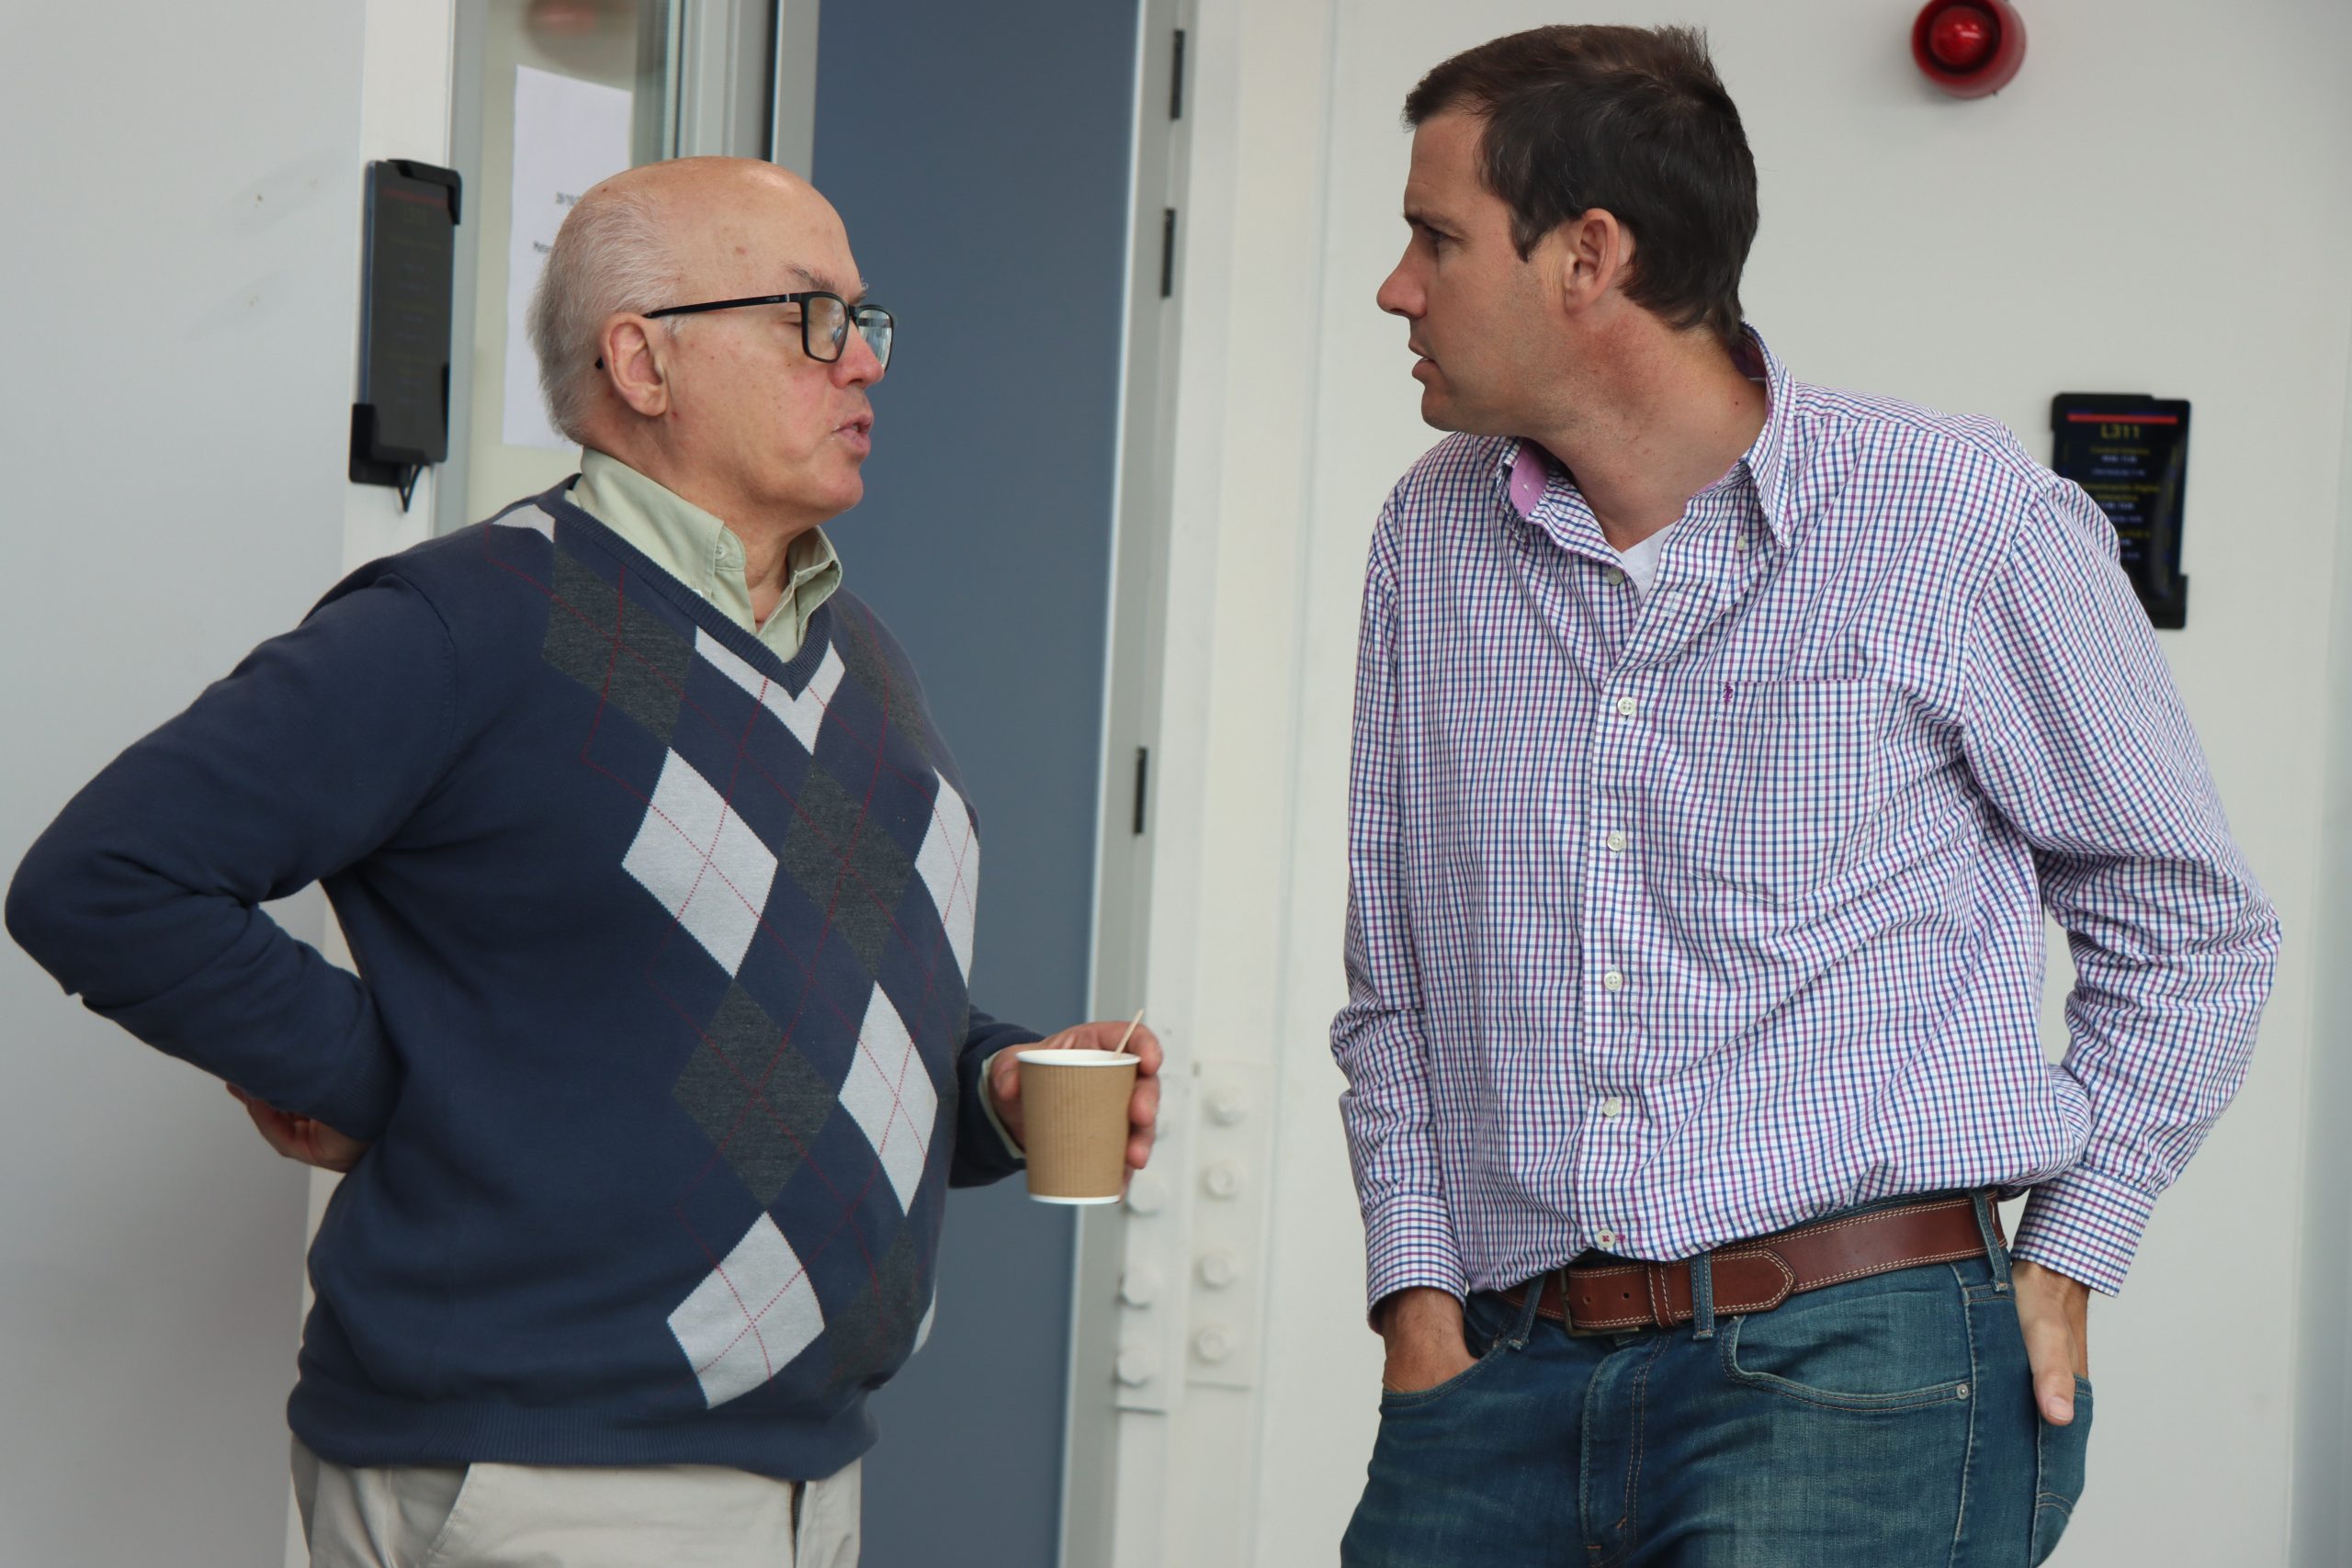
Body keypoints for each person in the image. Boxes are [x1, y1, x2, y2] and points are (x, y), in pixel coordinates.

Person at [6, 155, 1159, 1568]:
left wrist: (994, 1084)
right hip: (541, 1483)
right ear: (642, 361)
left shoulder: (861, 661)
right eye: (811, 317)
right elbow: (106, 878)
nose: (863, 361)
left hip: (808, 1479)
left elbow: (813, 995)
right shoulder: (464, 622)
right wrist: (385, 1083)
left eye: (867, 322)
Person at [1329, 26, 2275, 1566]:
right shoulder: (1428, 541)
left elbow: (2193, 925)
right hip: (1497, 1381)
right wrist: (1417, 1308)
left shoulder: (1963, 521)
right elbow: (1397, 983)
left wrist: (2071, 1249)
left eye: (1436, 238)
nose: (1397, 287)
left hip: (1858, 1378)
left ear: (1589, 257)